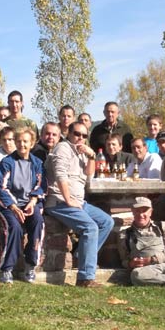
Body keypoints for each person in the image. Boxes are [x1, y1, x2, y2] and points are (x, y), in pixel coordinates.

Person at [45, 122, 114, 287]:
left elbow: (89, 174)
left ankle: (80, 257)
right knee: (90, 227)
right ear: (68, 133)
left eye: (84, 136)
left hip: (79, 201)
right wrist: (68, 199)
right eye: (77, 134)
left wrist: (91, 156)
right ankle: (85, 278)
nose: (80, 138)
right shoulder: (63, 148)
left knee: (107, 222)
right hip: (59, 202)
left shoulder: (82, 151)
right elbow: (60, 174)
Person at [0, 128, 46, 283]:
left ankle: (30, 265)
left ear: (32, 143)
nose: (22, 144)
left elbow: (42, 185)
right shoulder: (7, 162)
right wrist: (13, 207)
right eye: (19, 141)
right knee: (14, 227)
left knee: (38, 223)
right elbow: (0, 187)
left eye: (25, 141)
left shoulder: (37, 163)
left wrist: (33, 201)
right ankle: (6, 269)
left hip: (29, 204)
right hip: (9, 206)